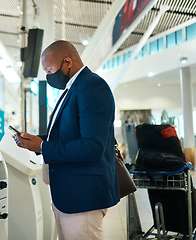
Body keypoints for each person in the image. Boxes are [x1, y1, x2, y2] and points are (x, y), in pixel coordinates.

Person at [13, 40, 120, 240]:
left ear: (67, 62)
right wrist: (36, 142)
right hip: (67, 195)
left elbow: (92, 146)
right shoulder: (72, 89)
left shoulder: (92, 86)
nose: (48, 76)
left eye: (49, 69)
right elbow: (68, 135)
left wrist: (44, 146)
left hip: (83, 197)